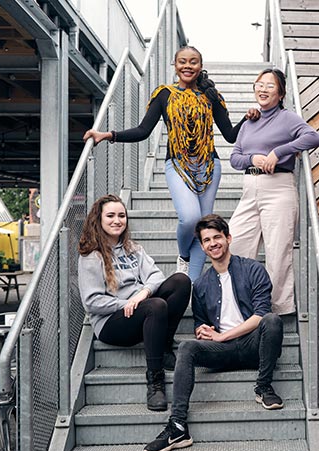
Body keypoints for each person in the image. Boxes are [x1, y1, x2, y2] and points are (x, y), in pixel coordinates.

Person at [83, 46, 260, 280]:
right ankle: (184, 256)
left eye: (193, 62)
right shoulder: (164, 94)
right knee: (190, 218)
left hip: (209, 167)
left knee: (204, 228)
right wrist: (108, 135)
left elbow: (230, 135)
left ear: (200, 66)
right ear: (175, 65)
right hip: (177, 165)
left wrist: (248, 119)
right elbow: (143, 130)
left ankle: (192, 286)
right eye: (183, 62)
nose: (188, 66)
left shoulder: (211, 96)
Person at [143, 214, 284, 451]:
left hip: (254, 347)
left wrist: (223, 335)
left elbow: (261, 315)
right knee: (187, 347)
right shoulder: (201, 285)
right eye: (206, 240)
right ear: (202, 246)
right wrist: (204, 332)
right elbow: (201, 324)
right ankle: (177, 426)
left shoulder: (253, 269)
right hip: (223, 352)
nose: (212, 243)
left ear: (228, 238)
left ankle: (264, 387)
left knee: (272, 320)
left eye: (217, 237)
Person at [78, 194, 190, 411]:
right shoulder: (92, 256)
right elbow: (92, 302)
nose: (117, 220)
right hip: (112, 323)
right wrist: (127, 304)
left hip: (141, 310)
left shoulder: (134, 249)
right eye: (110, 215)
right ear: (98, 220)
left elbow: (156, 276)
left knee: (181, 281)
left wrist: (142, 295)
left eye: (121, 215)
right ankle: (155, 381)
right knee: (156, 305)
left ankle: (164, 345)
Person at [229, 68, 319, 315]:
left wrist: (278, 152)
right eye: (259, 84)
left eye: (270, 86)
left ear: (280, 94)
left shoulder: (288, 118)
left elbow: (313, 137)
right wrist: (254, 158)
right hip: (250, 189)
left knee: (277, 251)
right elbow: (235, 158)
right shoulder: (249, 122)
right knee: (236, 243)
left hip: (278, 188)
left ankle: (277, 309)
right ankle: (243, 303)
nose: (263, 89)